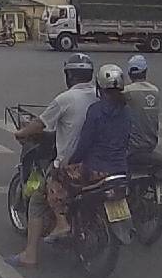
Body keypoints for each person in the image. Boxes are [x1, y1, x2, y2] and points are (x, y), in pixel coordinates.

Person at [7, 53, 98, 267]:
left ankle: (30, 254)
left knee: (37, 200)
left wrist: (21, 133)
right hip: (97, 164)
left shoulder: (65, 99)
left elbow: (40, 124)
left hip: (70, 166)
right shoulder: (99, 95)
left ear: (69, 75)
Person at [45, 64, 132, 244]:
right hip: (121, 169)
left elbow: (85, 142)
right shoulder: (126, 111)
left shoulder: (96, 110)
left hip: (95, 170)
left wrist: (71, 161)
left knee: (55, 177)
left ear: (100, 87)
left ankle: (62, 223)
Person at [123, 54, 161, 160]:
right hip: (152, 143)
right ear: (145, 71)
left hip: (132, 145)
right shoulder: (155, 90)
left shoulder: (127, 91)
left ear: (129, 73)